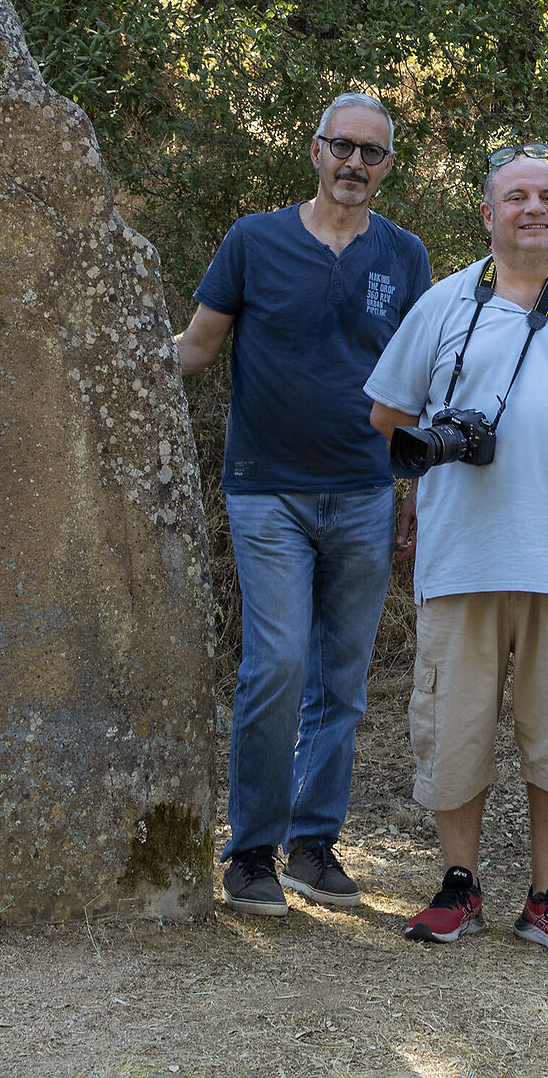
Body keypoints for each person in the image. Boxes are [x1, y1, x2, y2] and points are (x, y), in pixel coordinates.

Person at [365, 145, 548, 958]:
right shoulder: (441, 304)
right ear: (489, 213)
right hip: (462, 557)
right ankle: (457, 888)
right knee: (454, 728)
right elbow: (388, 417)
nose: (536, 207)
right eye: (518, 196)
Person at [174, 93, 432, 918]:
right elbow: (194, 349)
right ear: (315, 150)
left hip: (363, 490)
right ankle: (250, 850)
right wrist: (101, 357)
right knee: (276, 665)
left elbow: (421, 388)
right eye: (343, 147)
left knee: (342, 680)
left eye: (374, 153)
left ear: (388, 167)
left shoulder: (405, 257)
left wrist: (415, 493)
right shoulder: (254, 240)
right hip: (267, 490)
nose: (356, 163)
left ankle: (313, 846)